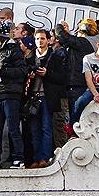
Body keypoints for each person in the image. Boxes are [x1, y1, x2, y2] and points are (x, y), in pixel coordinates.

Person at [0, 19, 29, 169]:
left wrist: (4, 71)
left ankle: (19, 158)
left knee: (12, 127)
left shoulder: (13, 49)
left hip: (10, 94)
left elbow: (23, 71)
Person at [26, 29, 67, 168]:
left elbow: (62, 78)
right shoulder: (30, 57)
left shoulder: (55, 56)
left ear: (48, 40)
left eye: (42, 38)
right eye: (37, 39)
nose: (40, 41)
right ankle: (36, 158)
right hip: (33, 97)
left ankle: (45, 157)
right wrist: (29, 75)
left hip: (47, 97)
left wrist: (47, 74)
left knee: (46, 128)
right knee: (34, 129)